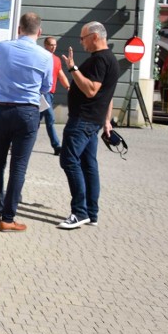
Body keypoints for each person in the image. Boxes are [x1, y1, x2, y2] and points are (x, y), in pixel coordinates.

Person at [0, 13, 53, 233]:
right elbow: (47, 87)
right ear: (39, 32)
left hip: (0, 110)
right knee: (18, 166)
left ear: (19, 28)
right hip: (28, 112)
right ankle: (8, 218)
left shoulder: (2, 47)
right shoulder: (45, 56)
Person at [57, 21, 120, 229]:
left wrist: (73, 69)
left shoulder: (100, 60)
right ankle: (91, 213)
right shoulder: (110, 59)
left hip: (82, 120)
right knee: (88, 165)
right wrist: (106, 121)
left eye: (83, 38)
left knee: (68, 160)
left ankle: (80, 212)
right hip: (92, 121)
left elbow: (92, 90)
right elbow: (107, 96)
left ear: (94, 37)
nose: (81, 42)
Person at [40, 37, 70, 155]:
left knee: (35, 121)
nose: (54, 47)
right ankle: (57, 146)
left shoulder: (57, 60)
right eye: (51, 45)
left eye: (55, 45)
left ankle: (21, 142)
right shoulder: (40, 57)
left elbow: (60, 74)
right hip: (42, 93)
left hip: (50, 94)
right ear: (45, 45)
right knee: (50, 118)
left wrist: (68, 87)